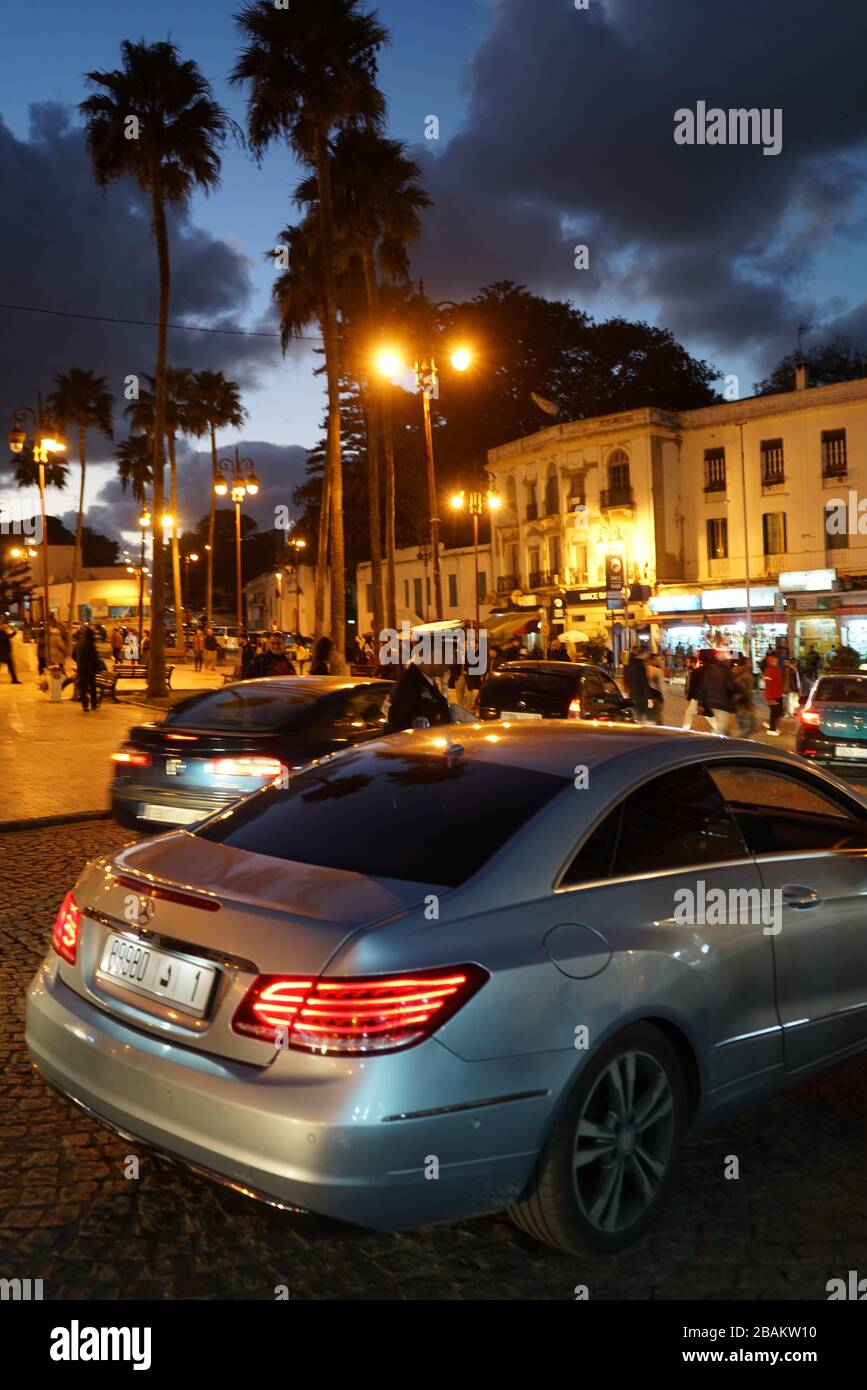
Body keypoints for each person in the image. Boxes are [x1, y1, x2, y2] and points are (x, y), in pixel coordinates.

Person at [386, 659, 451, 731]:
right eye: (447, 656)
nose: (451, 662)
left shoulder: (424, 682)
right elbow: (401, 728)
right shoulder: (410, 684)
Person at [703, 651, 738, 735]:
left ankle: (725, 743)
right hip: (722, 703)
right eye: (728, 660)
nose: (730, 662)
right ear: (724, 661)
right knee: (722, 727)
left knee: (724, 727)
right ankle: (711, 743)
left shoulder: (711, 671)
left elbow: (703, 686)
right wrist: (739, 688)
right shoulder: (727, 673)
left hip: (711, 701)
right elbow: (732, 687)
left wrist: (702, 702)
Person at [75, 625, 101, 713]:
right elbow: (93, 656)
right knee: (92, 687)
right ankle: (94, 704)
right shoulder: (90, 643)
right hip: (90, 669)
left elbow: (73, 654)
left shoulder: (79, 642)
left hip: (81, 668)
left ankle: (85, 705)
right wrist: (97, 665)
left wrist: (79, 662)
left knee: (83, 687)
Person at [731, 656, 756, 738]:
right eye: (749, 662)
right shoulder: (745, 676)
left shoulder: (736, 673)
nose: (751, 664)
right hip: (744, 704)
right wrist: (749, 704)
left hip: (739, 704)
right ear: (745, 664)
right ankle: (739, 743)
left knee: (744, 727)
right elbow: (744, 692)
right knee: (749, 727)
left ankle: (743, 742)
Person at [624, 646, 651, 722]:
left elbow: (626, 677)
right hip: (641, 695)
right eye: (647, 654)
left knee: (637, 715)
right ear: (643, 654)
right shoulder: (640, 666)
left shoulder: (630, 663)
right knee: (647, 716)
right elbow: (644, 682)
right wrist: (648, 697)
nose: (648, 656)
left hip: (633, 693)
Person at [763, 651, 784, 735]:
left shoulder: (776, 670)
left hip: (778, 695)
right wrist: (770, 698)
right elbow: (768, 686)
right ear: (770, 662)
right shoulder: (768, 671)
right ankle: (771, 729)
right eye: (774, 661)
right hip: (773, 696)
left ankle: (772, 726)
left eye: (776, 661)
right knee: (775, 713)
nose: (776, 663)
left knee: (779, 712)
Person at [644, 649, 665, 725]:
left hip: (649, 696)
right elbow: (660, 685)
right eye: (656, 660)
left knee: (652, 715)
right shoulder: (655, 670)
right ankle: (658, 731)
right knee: (657, 716)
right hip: (656, 696)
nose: (657, 661)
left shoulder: (645, 668)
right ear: (651, 660)